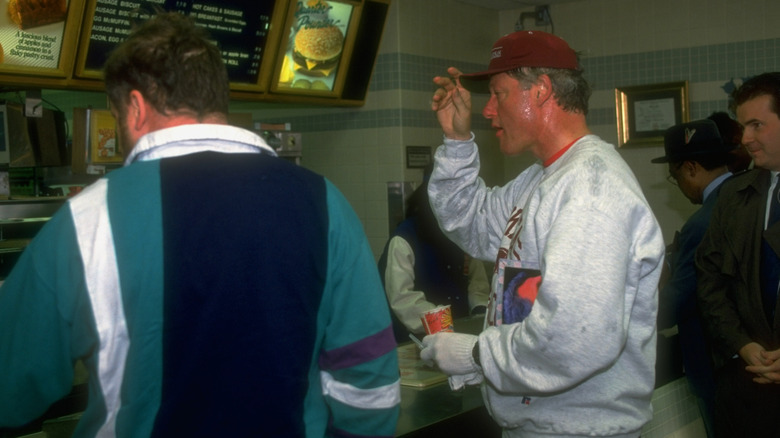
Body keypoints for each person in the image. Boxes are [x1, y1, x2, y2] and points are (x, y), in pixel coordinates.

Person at [0, 12, 400, 438]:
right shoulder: (325, 202)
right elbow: (370, 382)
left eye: (116, 120)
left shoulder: (88, 219)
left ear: (134, 109)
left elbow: (11, 387)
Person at [418, 30, 665, 437]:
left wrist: (476, 354)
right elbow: (471, 220)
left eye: (499, 94)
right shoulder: (543, 179)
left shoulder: (590, 189)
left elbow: (573, 341)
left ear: (541, 91)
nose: (488, 111)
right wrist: (457, 141)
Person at [696, 72, 780, 437]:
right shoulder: (735, 196)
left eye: (756, 125)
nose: (745, 139)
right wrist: (740, 344)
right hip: (748, 392)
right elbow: (710, 280)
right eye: (743, 126)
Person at [652, 119, 735, 438]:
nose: (681, 186)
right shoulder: (746, 199)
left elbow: (679, 301)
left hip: (714, 369)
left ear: (690, 167)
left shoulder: (701, 223)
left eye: (675, 177)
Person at [377, 171, 489, 342]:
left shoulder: (460, 234)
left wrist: (479, 314)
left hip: (459, 336)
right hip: (414, 340)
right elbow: (402, 298)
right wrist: (444, 324)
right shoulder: (404, 240)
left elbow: (477, 283)